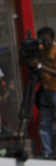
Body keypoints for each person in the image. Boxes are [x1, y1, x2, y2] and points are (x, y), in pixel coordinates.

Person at [30, 26, 56, 159]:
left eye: (46, 40)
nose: (44, 43)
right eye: (42, 40)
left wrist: (42, 67)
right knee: (45, 122)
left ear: (52, 39)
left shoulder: (54, 50)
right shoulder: (41, 51)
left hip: (55, 90)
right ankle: (46, 151)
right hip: (45, 90)